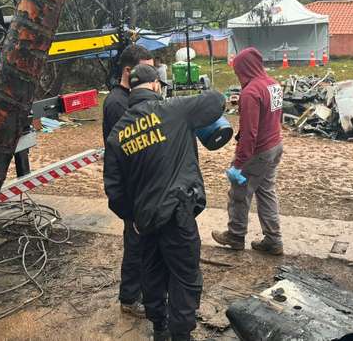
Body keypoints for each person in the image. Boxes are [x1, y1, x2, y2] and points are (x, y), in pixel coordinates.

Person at [103, 64, 225, 341]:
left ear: (131, 90)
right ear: (156, 85)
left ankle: (159, 328)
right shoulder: (175, 109)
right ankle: (181, 334)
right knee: (184, 276)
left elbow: (114, 189)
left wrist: (131, 218)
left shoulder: (118, 134)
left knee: (153, 273)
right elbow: (217, 100)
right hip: (177, 214)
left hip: (144, 220)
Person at [212, 47, 285, 255]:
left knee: (239, 192)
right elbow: (272, 115)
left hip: (258, 151)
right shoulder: (273, 85)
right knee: (266, 191)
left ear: (245, 68)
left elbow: (249, 134)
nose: (238, 75)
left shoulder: (250, 93)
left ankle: (235, 235)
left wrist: (238, 165)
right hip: (275, 145)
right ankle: (273, 239)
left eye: (238, 70)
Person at [101, 44, 154, 317]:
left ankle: (142, 291)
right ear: (128, 71)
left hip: (143, 186)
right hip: (131, 189)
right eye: (146, 70)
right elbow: (124, 152)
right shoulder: (117, 103)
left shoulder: (133, 98)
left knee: (143, 244)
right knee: (135, 244)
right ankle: (130, 299)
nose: (152, 77)